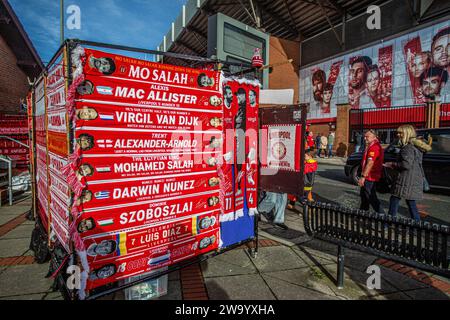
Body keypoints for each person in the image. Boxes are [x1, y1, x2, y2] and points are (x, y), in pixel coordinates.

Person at [385, 125, 427, 221]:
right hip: (413, 179)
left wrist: (392, 164)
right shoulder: (416, 146)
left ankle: (388, 223)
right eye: (398, 132)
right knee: (411, 203)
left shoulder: (407, 148)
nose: (398, 134)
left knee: (394, 200)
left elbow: (406, 165)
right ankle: (417, 225)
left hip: (404, 180)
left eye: (400, 133)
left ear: (407, 134)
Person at [358, 129, 384, 214]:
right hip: (368, 175)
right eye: (364, 137)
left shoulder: (374, 147)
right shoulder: (371, 145)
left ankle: (382, 216)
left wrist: (363, 177)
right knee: (364, 196)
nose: (365, 138)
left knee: (371, 197)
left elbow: (370, 163)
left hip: (370, 176)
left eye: (367, 137)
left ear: (374, 137)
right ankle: (363, 213)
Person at [234, 88, 247, 196]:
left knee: (240, 165)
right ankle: (238, 186)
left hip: (242, 138)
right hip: (237, 137)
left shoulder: (245, 109)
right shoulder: (239, 109)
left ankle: (240, 186)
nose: (237, 97)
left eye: (239, 95)